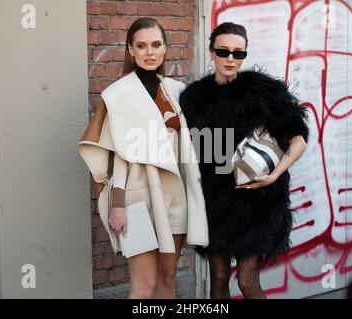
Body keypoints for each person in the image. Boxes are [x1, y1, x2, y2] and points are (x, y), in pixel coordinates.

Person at [78, 17, 208, 299]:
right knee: (143, 286)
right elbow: (119, 156)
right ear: (131, 50)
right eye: (141, 45)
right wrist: (118, 205)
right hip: (135, 200)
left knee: (167, 280)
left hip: (175, 197)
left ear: (164, 48)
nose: (149, 52)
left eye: (156, 44)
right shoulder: (118, 94)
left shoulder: (177, 92)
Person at [180, 22, 309, 299]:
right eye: (224, 51)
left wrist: (275, 175)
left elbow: (298, 139)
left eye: (239, 53)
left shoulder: (264, 92)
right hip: (213, 204)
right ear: (211, 52)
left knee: (248, 283)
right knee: (218, 281)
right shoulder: (193, 98)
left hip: (258, 205)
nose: (230, 59)